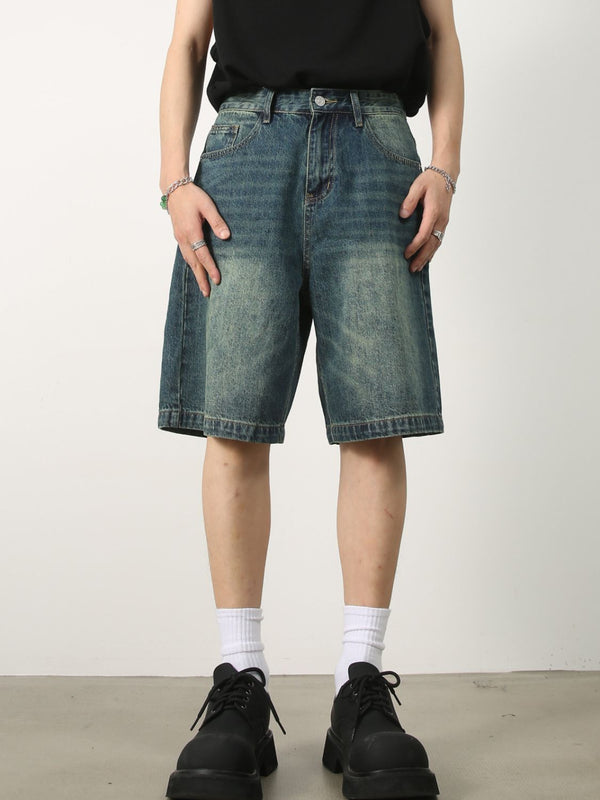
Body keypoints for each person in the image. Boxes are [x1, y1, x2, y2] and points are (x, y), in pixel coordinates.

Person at [156, 0, 463, 798]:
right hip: (248, 150)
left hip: (376, 144)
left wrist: (445, 165)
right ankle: (241, 682)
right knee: (234, 422)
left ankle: (360, 686)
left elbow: (440, 33)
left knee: (374, 420)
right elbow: (188, 39)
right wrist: (174, 180)